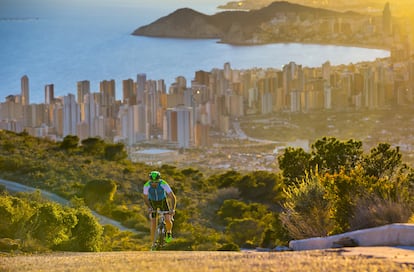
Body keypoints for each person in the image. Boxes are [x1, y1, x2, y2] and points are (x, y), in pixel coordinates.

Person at [143, 170, 176, 247]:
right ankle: (153, 244)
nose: (154, 184)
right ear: (150, 180)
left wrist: (172, 209)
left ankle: (168, 232)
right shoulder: (146, 185)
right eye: (152, 182)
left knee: (168, 220)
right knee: (153, 222)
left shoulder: (164, 184)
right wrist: (149, 207)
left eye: (156, 182)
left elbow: (172, 197)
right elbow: (145, 198)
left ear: (159, 180)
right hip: (152, 202)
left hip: (162, 202)